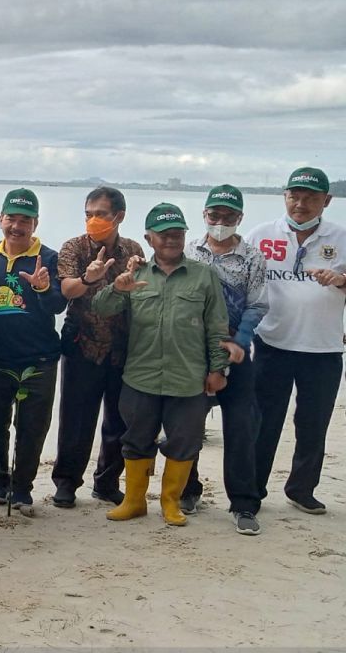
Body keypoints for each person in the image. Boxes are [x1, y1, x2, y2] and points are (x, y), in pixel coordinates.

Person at [93, 203, 230, 527]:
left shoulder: (203, 276)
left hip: (188, 379)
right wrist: (116, 286)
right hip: (141, 377)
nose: (171, 240)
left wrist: (217, 370)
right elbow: (101, 308)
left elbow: (217, 328)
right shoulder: (134, 273)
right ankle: (135, 501)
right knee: (136, 441)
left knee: (184, 443)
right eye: (164, 234)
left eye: (177, 234)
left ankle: (171, 503)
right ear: (148, 238)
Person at [245, 166, 346, 515]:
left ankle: (302, 489)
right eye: (295, 196)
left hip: (323, 348)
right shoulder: (260, 234)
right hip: (272, 344)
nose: (301, 204)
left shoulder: (341, 237)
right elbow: (241, 284)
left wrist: (340, 279)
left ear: (327, 201)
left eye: (311, 198)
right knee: (263, 421)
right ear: (285, 196)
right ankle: (252, 490)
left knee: (313, 424)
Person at [0, 188, 67, 515]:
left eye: (25, 220)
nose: (17, 226)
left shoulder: (50, 258)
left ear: (36, 223)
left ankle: (23, 489)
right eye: (11, 218)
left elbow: (58, 304)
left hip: (38, 358)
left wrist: (42, 287)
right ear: (0, 219)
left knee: (32, 426)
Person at [181, 186, 268, 534]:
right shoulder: (189, 251)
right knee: (187, 426)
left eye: (228, 216)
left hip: (238, 352)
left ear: (239, 219)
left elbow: (257, 304)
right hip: (193, 353)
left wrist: (240, 342)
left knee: (241, 428)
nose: (220, 222)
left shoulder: (252, 257)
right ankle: (188, 491)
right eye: (214, 215)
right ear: (204, 215)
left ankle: (244, 504)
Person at [51, 186, 143, 508]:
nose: (93, 220)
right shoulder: (73, 248)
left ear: (119, 217)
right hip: (82, 345)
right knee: (75, 419)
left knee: (118, 421)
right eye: (89, 214)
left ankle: (106, 483)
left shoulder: (132, 249)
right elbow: (67, 291)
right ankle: (66, 482)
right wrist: (89, 279)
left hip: (121, 347)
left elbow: (142, 294)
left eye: (101, 214)